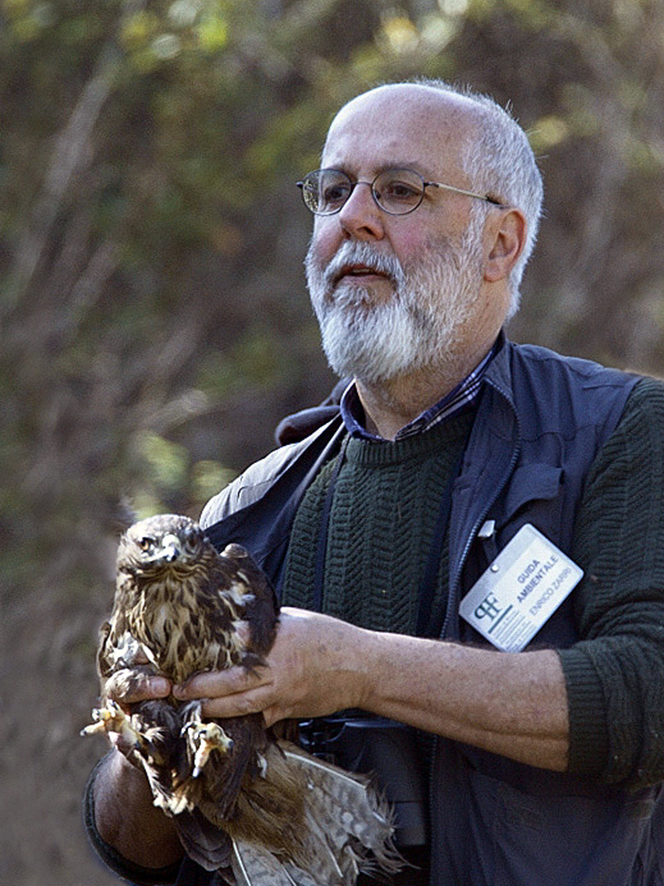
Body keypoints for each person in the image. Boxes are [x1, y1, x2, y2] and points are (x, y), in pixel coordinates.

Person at [85, 79, 664, 885]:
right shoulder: (243, 515)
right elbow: (131, 849)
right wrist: (151, 732)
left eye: (399, 191)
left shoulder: (623, 431)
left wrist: (361, 669)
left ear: (501, 243)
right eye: (332, 192)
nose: (352, 217)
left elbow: (650, 692)